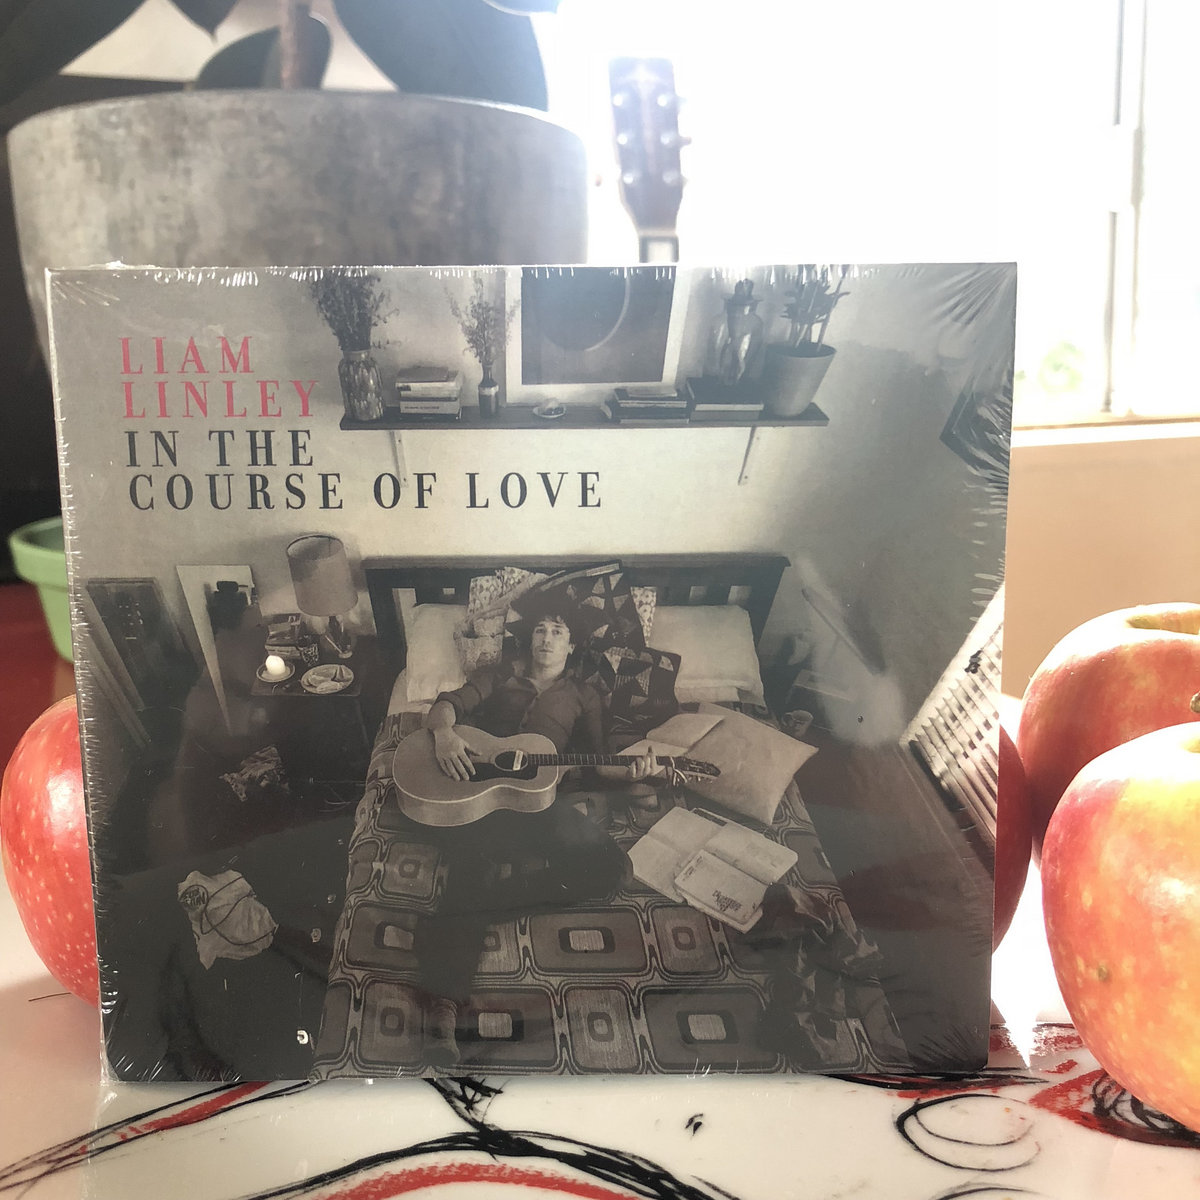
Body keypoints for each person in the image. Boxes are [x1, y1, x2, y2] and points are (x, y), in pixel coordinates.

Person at [411, 598, 657, 1065]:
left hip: (538, 801)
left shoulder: (584, 694)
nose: (547, 638)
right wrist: (444, 734)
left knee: (613, 869)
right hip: (476, 793)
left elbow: (597, 760)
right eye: (541, 629)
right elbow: (446, 706)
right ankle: (443, 1008)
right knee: (471, 866)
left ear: (572, 645)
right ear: (530, 638)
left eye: (558, 631)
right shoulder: (500, 674)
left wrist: (632, 775)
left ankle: (480, 907)